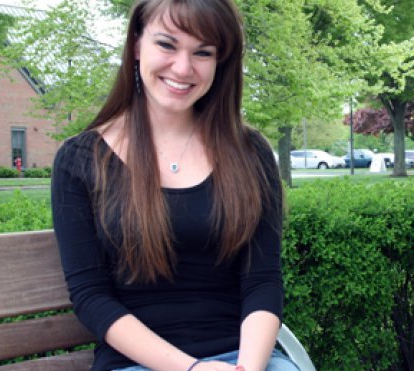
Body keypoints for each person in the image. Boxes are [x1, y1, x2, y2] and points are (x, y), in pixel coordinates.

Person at [51, 1, 296, 370]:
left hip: (246, 358)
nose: (183, 68)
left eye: (203, 52)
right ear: (137, 44)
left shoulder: (250, 152)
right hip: (136, 363)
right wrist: (192, 369)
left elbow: (263, 280)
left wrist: (247, 368)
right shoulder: (80, 160)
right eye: (166, 45)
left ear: (220, 62)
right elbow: (91, 296)